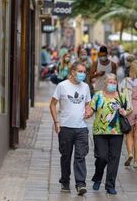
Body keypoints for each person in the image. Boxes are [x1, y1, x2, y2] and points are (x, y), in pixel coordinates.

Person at [49, 62, 91, 196]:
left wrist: (89, 112)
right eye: (80, 71)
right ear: (72, 72)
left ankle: (80, 184)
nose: (82, 74)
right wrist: (56, 122)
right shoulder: (62, 86)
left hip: (81, 128)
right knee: (66, 156)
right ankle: (65, 181)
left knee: (80, 156)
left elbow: (88, 105)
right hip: (66, 128)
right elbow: (52, 104)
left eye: (84, 71)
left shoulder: (85, 87)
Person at [87, 74, 128, 195]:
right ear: (105, 83)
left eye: (114, 82)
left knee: (114, 159)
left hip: (117, 132)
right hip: (100, 131)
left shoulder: (121, 96)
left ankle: (110, 185)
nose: (112, 84)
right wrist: (86, 114)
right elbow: (91, 109)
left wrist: (124, 111)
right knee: (101, 157)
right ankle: (98, 176)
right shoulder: (98, 95)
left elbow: (128, 110)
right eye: (110, 82)